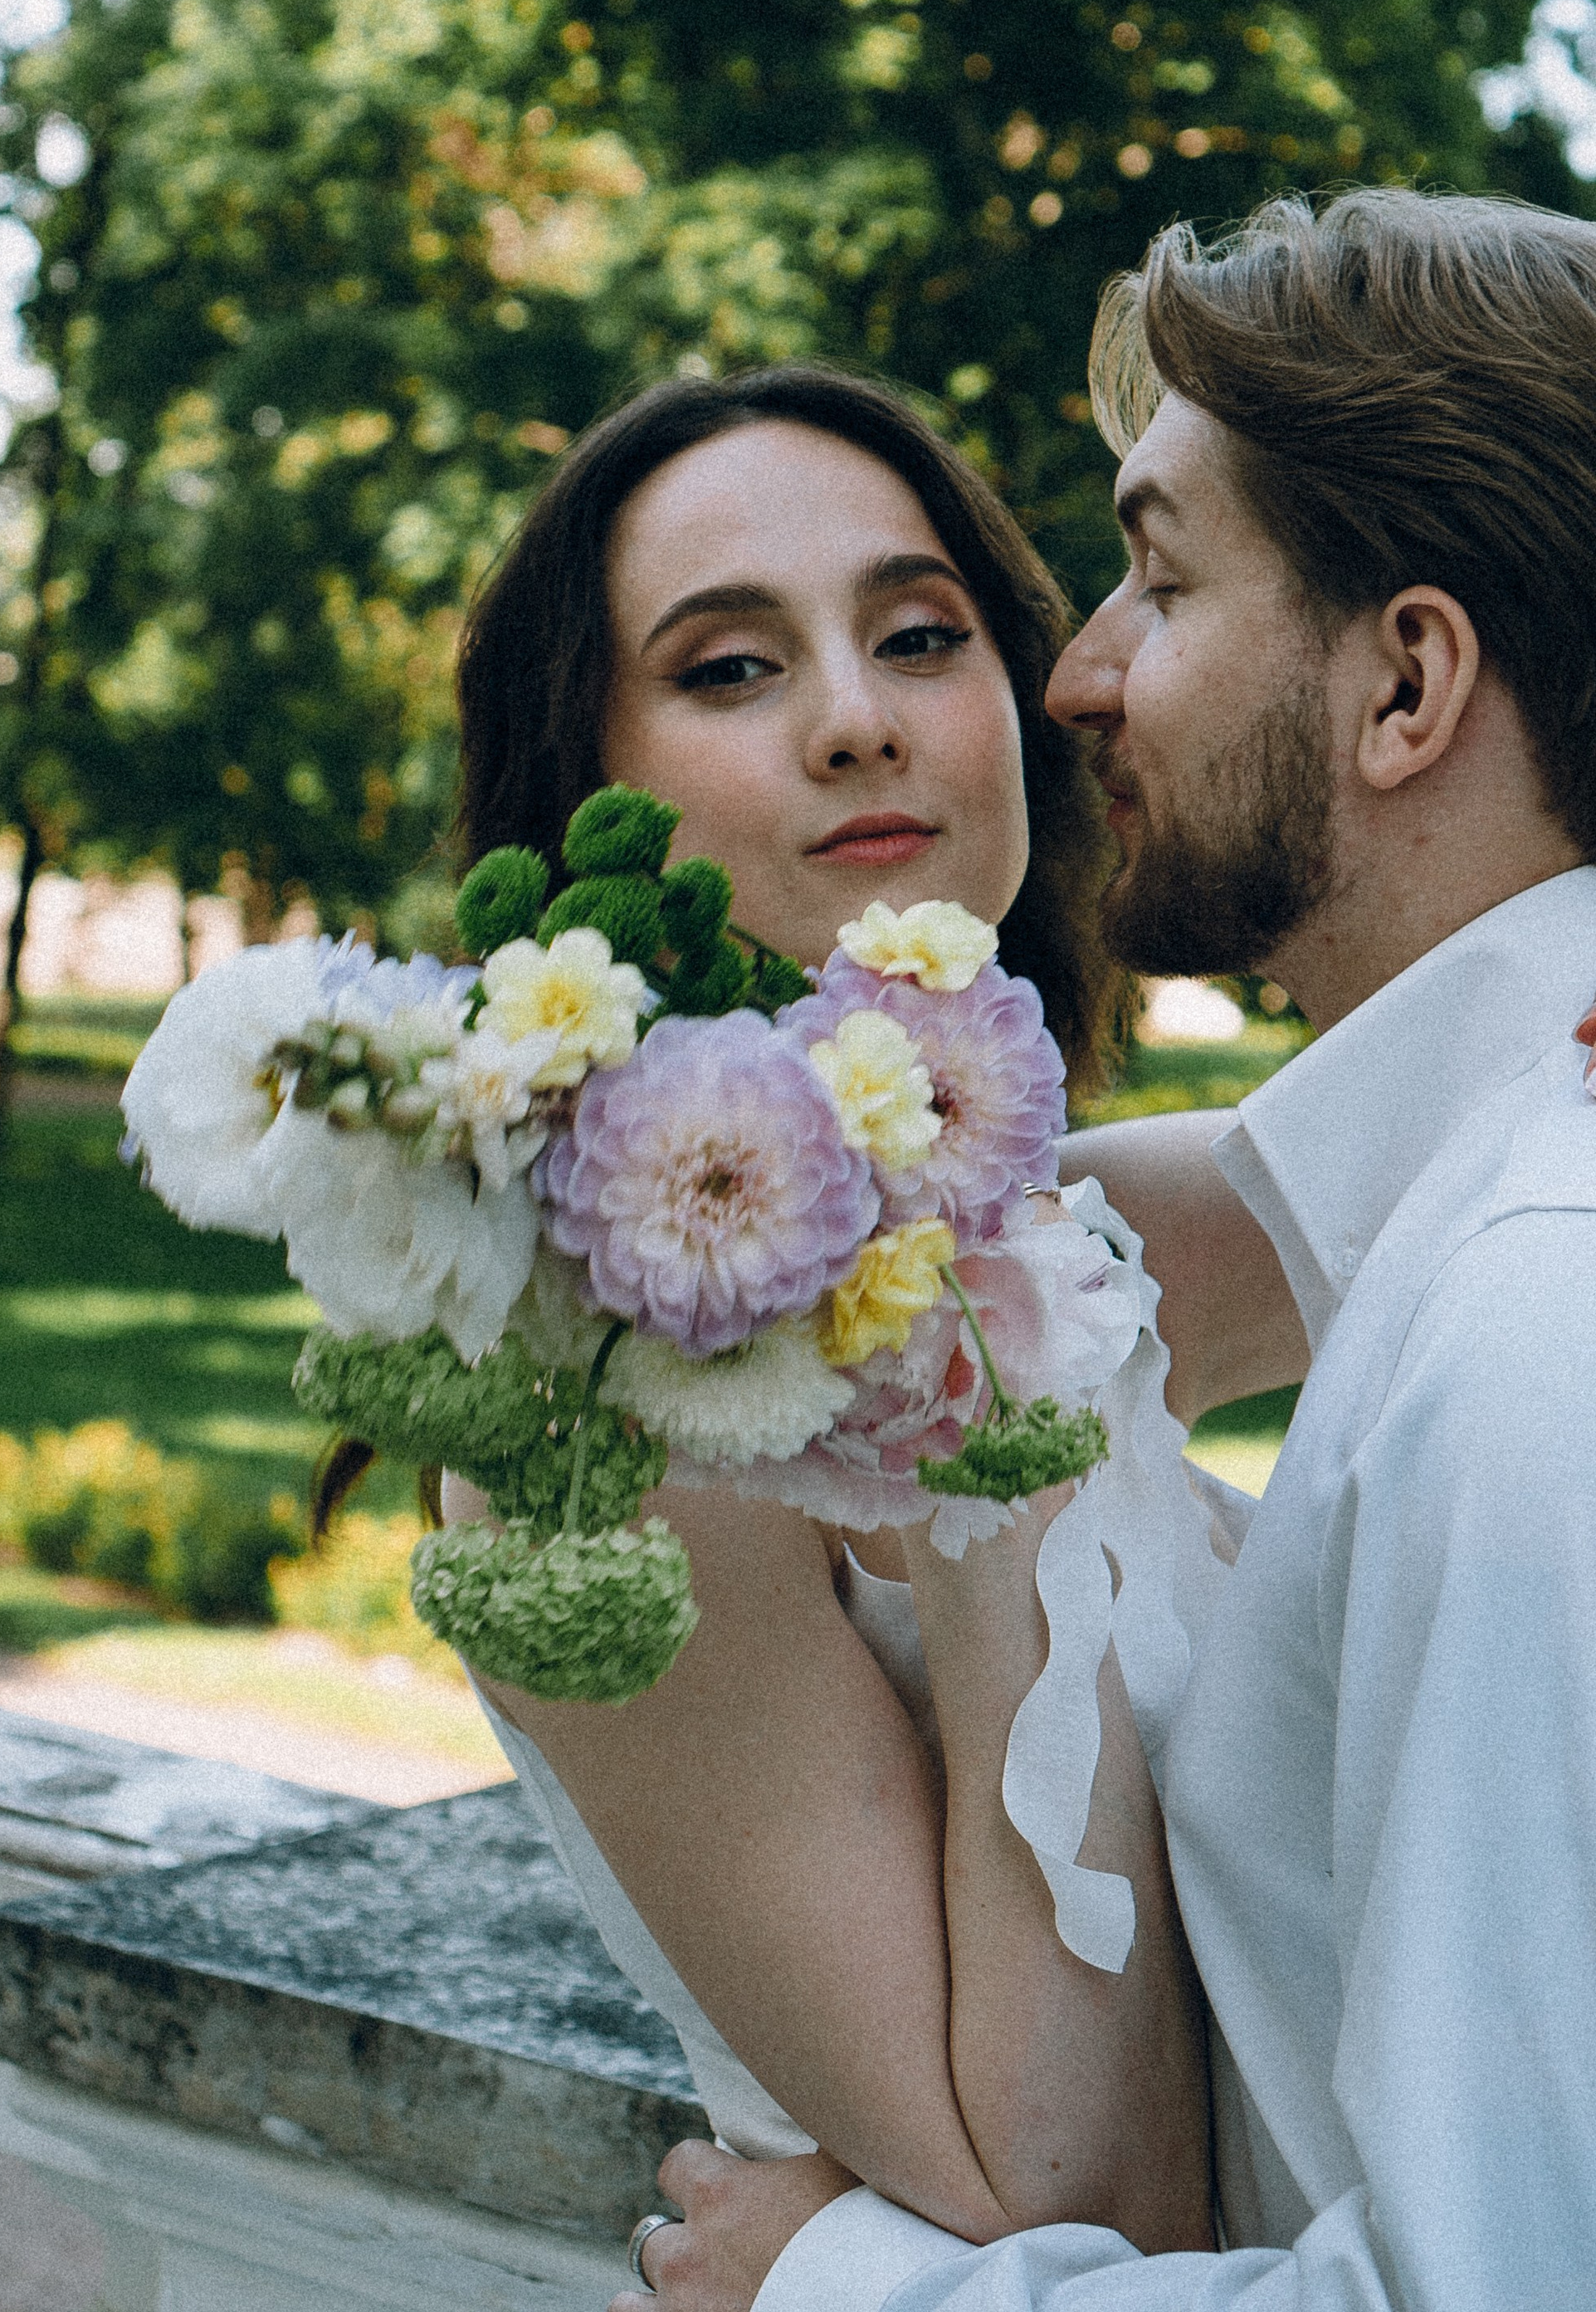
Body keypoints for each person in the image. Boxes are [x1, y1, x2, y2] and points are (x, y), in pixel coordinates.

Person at [637, 186, 1596, 2312]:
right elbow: (1177, 1217)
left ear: (1406, 682)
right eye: (724, 662)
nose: (1071, 674)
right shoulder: (1468, 1203)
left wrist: (842, 2293)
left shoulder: (1530, 1308)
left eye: (1154, 580)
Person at [440, 357, 1291, 2261]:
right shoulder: (608, 1432)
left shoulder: (1065, 1230)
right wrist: (974, 1459)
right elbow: (1064, 2206)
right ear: (589, 789)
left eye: (918, 636)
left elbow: (1490, 1118)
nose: (853, 723)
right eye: (728, 668)